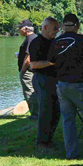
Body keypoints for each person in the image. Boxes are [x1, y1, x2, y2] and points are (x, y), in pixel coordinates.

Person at [47, 14, 83, 160]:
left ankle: (71, 154)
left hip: (62, 86)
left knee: (68, 120)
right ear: (77, 26)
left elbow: (51, 62)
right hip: (81, 84)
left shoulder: (56, 42)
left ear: (62, 26)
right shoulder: (82, 39)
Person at [29, 17, 61, 149]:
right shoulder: (36, 43)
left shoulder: (54, 42)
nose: (57, 31)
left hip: (54, 79)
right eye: (55, 28)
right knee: (46, 110)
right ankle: (42, 141)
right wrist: (51, 63)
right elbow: (33, 64)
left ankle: (49, 138)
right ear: (45, 27)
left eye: (58, 28)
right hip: (42, 79)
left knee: (56, 110)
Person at [17, 19, 39, 121]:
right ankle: (38, 112)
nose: (18, 30)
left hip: (28, 72)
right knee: (35, 91)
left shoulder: (29, 39)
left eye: (20, 28)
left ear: (26, 29)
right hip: (35, 71)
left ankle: (35, 114)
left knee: (29, 92)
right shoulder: (35, 37)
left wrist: (22, 71)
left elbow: (28, 58)